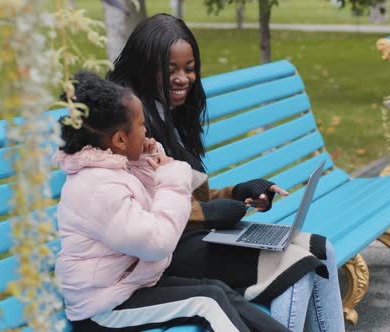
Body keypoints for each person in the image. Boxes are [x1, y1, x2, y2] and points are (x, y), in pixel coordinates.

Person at [108, 13, 346, 332]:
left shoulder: (171, 115)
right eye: (170, 69)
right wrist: (207, 214)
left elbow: (186, 192)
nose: (183, 79)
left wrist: (236, 193)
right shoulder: (131, 128)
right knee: (296, 264)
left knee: (322, 249)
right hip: (163, 259)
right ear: (144, 67)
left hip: (195, 237)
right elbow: (142, 215)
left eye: (189, 69)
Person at [54, 71, 292, 331]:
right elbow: (158, 242)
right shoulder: (97, 188)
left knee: (216, 290)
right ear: (120, 140)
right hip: (103, 309)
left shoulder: (112, 171)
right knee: (208, 302)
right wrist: (172, 175)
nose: (146, 132)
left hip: (126, 288)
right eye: (142, 125)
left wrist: (149, 161)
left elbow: (150, 204)